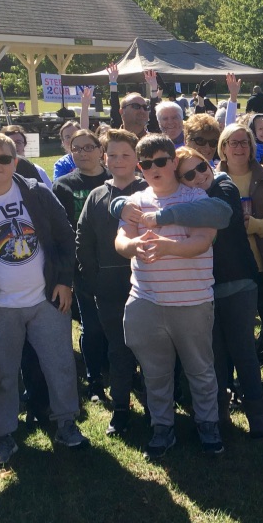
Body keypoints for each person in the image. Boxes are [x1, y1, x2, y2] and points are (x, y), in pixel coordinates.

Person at [0, 133, 87, 465]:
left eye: (4, 159)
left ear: (15, 161)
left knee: (61, 365)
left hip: (46, 300)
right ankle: (3, 434)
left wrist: (65, 281)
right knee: (1, 374)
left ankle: (66, 423)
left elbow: (66, 236)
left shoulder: (36, 194)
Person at [114, 135, 221, 458]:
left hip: (191, 300)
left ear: (174, 162)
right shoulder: (135, 201)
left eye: (161, 161)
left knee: (200, 369)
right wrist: (132, 246)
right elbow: (120, 239)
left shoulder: (197, 198)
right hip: (145, 300)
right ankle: (163, 427)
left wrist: (165, 246)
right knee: (154, 372)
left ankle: (208, 423)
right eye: (146, 164)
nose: (154, 169)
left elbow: (202, 242)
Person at [76, 129, 146, 436]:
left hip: (150, 285)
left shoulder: (149, 190)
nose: (118, 161)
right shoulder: (97, 195)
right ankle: (120, 408)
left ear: (137, 159)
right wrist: (94, 279)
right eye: (113, 155)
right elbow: (83, 239)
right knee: (118, 349)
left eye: (125, 155)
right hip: (109, 288)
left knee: (154, 349)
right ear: (105, 158)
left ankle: (163, 402)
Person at [218, 123, 263, 394]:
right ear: (223, 148)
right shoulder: (212, 178)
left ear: (251, 147)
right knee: (238, 326)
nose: (239, 147)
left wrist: (257, 225)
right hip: (231, 266)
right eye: (232, 142)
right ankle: (237, 376)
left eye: (244, 142)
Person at [52, 129, 111, 401]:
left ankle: (125, 369)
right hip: (83, 267)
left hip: (118, 263)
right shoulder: (63, 185)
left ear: (101, 150)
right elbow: (60, 231)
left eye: (89, 147)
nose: (83, 153)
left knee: (121, 323)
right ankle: (94, 378)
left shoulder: (115, 179)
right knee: (92, 325)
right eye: (77, 148)